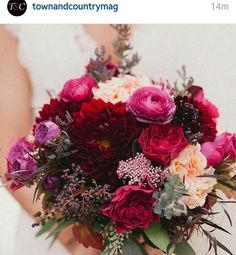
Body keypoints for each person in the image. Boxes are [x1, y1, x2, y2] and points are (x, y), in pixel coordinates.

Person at [0, 24, 236, 255]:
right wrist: (73, 240)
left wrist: (172, 229)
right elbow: (7, 141)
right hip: (59, 227)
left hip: (175, 230)